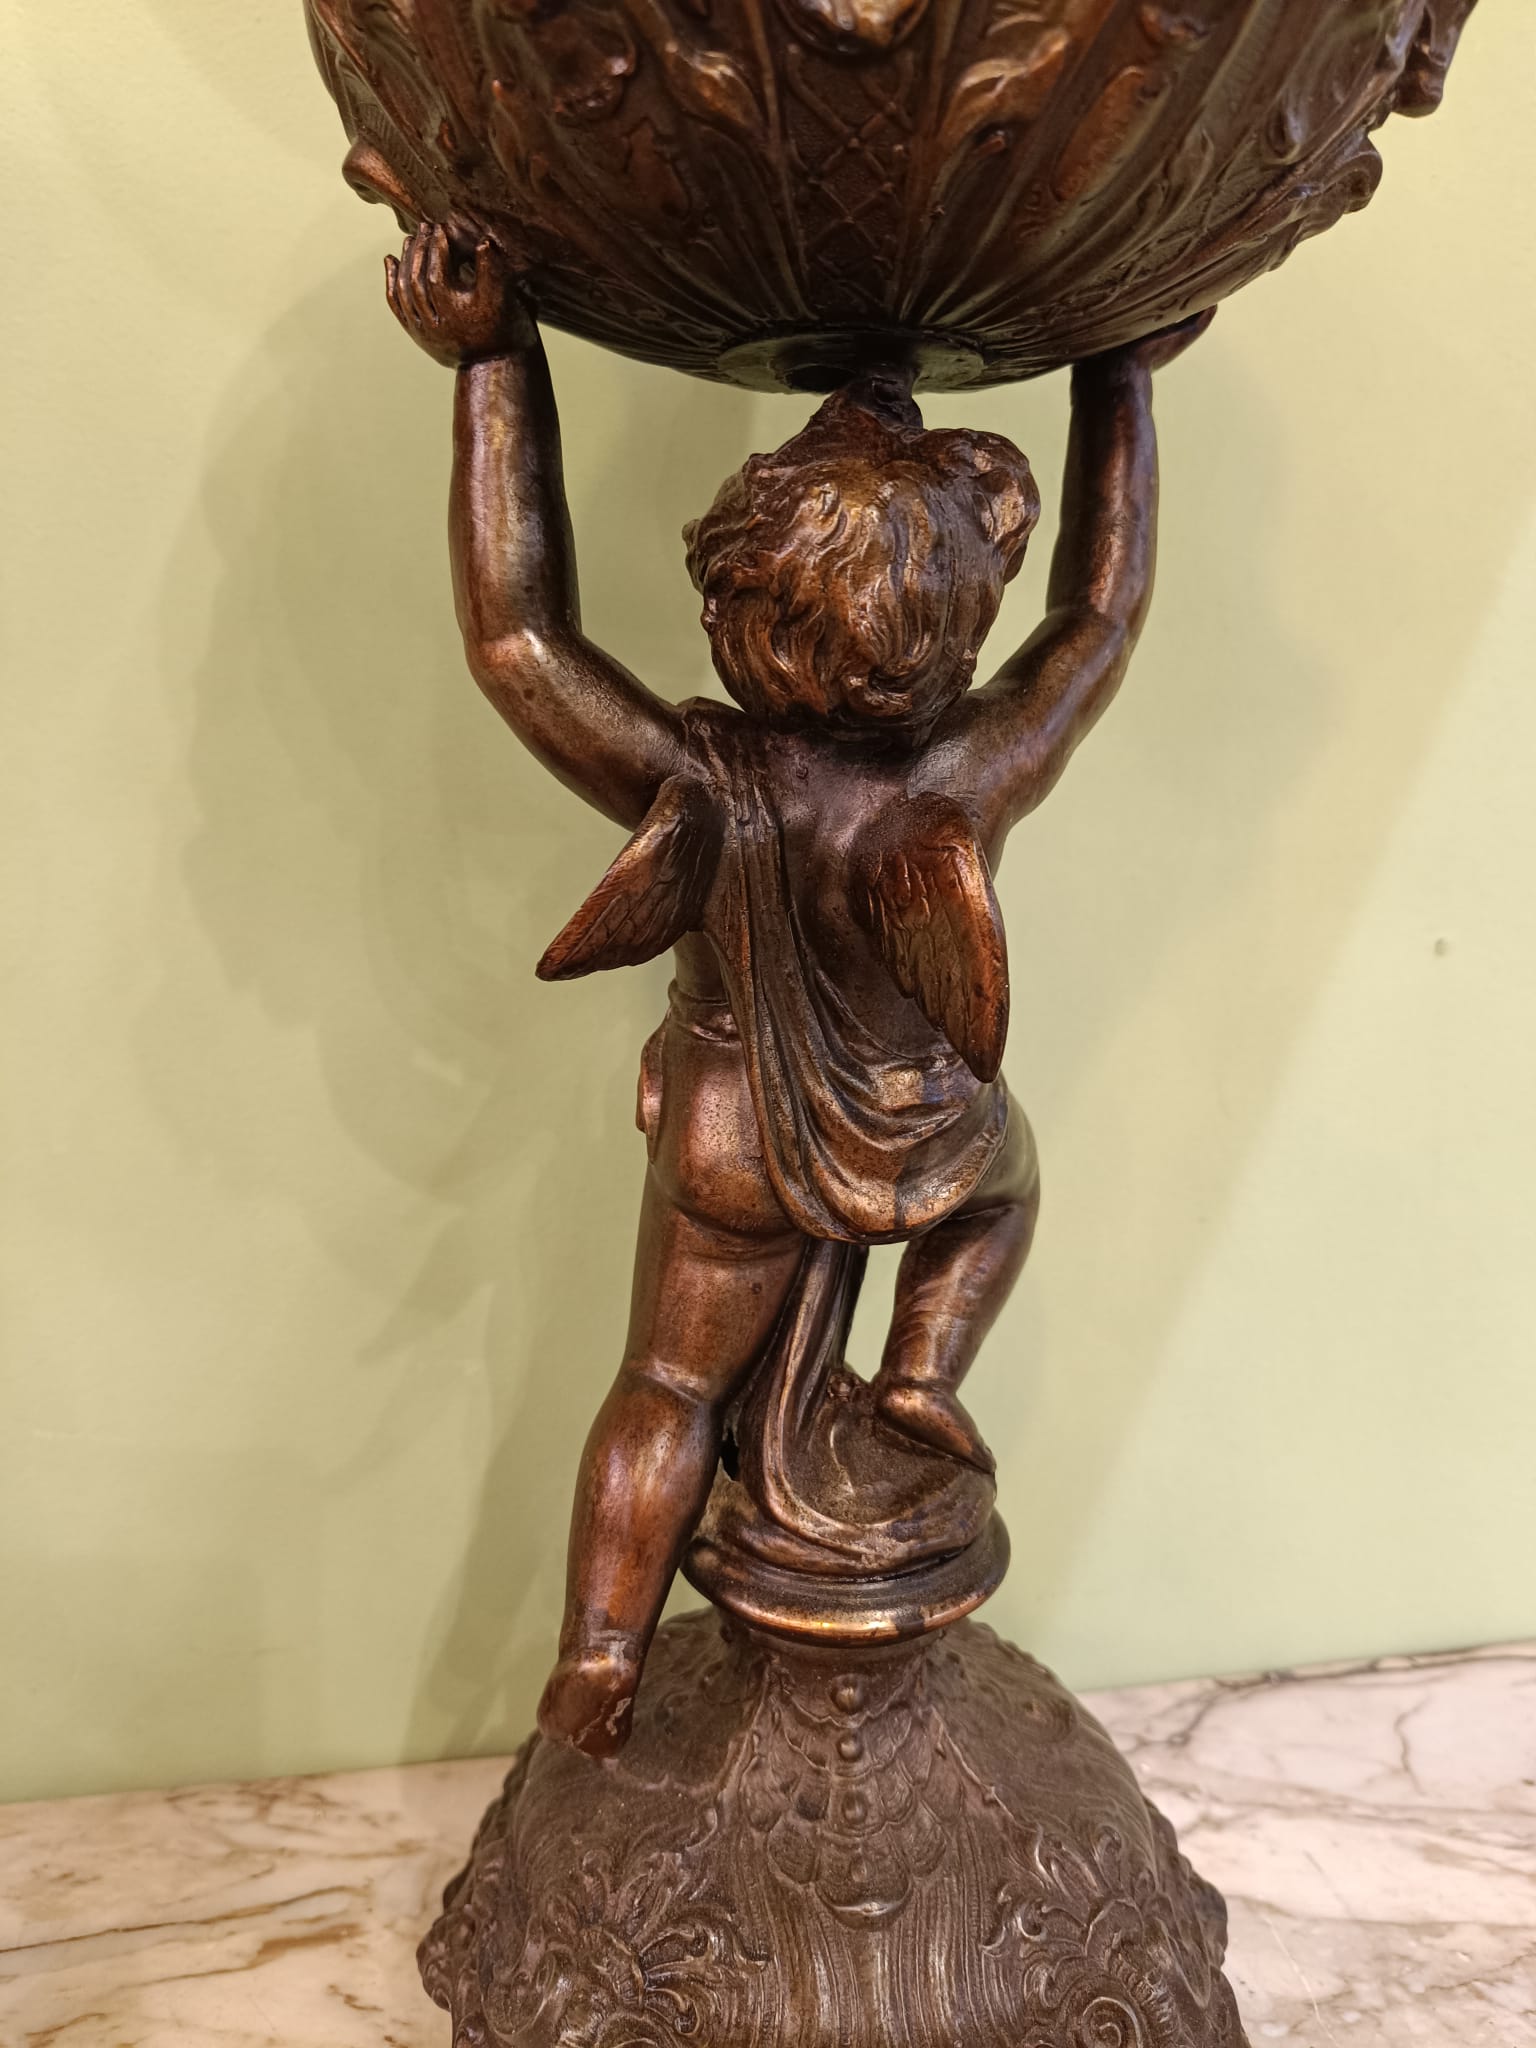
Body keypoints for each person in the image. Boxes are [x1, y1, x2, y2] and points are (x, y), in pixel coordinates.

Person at [386, 222, 1210, 1756]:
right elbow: (1099, 621)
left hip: (730, 1137)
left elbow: (517, 639)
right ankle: (921, 1373)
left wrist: (493, 366)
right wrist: (1121, 390)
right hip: (924, 1122)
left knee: (665, 1383)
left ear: (740, 603)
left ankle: (602, 1649)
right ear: (955, 625)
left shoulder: (699, 771)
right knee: (1007, 1189)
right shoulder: (966, 773)